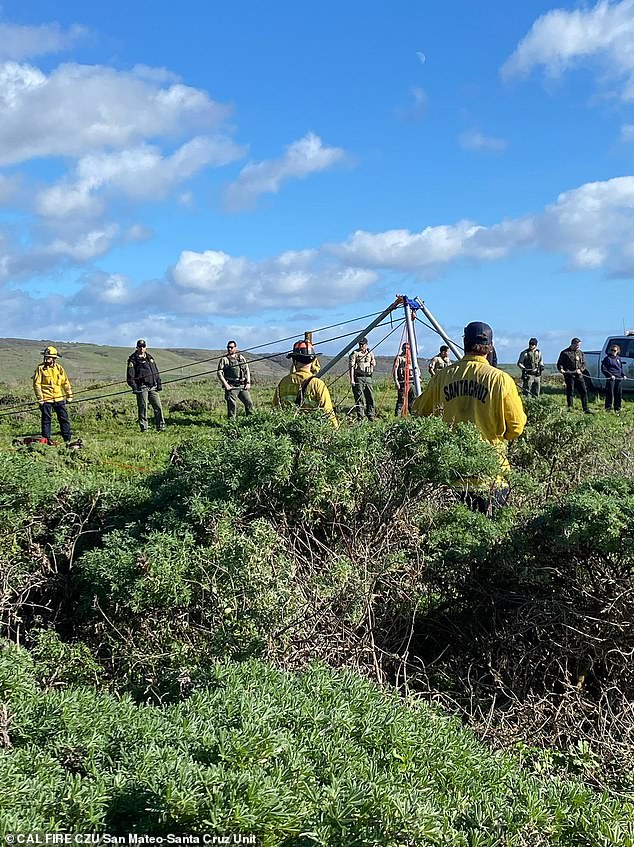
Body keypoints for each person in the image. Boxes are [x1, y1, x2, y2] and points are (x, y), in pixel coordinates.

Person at [411, 321, 526, 514]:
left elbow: (419, 411)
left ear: (464, 342)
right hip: (491, 476)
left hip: (451, 476)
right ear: (490, 347)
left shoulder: (442, 376)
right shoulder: (501, 380)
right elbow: (516, 428)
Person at [273, 339, 339, 428]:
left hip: (287, 432)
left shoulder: (283, 382)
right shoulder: (318, 384)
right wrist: (335, 431)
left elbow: (275, 410)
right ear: (313, 361)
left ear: (294, 361)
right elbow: (328, 414)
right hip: (311, 433)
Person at [32, 346, 73, 444]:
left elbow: (65, 383)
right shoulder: (40, 369)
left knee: (64, 418)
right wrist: (40, 399)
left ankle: (67, 439)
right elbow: (37, 384)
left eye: (49, 357)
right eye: (46, 357)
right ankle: (46, 439)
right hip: (46, 399)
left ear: (54, 359)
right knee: (46, 420)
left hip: (59, 398)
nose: (47, 359)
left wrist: (69, 396)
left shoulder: (59, 368)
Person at [126, 339, 166, 432]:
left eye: (143, 346)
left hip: (153, 386)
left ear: (145, 347)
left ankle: (161, 426)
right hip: (142, 387)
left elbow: (155, 371)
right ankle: (144, 427)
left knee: (158, 406)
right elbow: (130, 376)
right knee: (143, 408)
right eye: (140, 346)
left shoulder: (150, 358)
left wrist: (159, 382)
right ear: (137, 347)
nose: (142, 348)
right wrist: (134, 387)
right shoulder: (133, 360)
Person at [217, 340, 253, 419]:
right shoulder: (224, 359)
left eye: (231, 347)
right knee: (232, 406)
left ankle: (251, 420)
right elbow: (219, 373)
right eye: (228, 347)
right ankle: (232, 423)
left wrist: (248, 382)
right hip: (231, 386)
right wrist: (226, 385)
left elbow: (247, 369)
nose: (229, 349)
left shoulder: (241, 358)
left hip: (242, 385)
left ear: (235, 348)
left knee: (249, 403)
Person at [556, 338, 590, 413]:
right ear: (572, 344)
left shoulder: (580, 353)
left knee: (584, 391)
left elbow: (584, 364)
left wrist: (581, 370)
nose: (578, 347)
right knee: (570, 392)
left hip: (579, 375)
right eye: (577, 345)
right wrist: (561, 369)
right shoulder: (565, 353)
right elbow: (560, 363)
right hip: (569, 375)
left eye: (579, 345)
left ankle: (585, 408)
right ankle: (570, 408)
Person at [348, 337, 376, 421]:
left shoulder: (370, 353)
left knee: (370, 396)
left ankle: (371, 415)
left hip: (368, 377)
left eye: (362, 344)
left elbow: (373, 362)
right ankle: (361, 417)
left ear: (366, 345)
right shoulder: (355, 353)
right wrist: (352, 379)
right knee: (359, 397)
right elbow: (351, 367)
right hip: (359, 377)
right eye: (360, 344)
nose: (361, 346)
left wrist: (373, 363)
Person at [393, 343, 416, 417]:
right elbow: (395, 370)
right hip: (402, 382)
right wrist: (396, 381)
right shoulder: (399, 358)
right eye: (405, 348)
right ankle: (397, 415)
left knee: (412, 399)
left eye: (408, 348)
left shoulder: (412, 358)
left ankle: (413, 415)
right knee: (401, 400)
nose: (406, 350)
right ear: (402, 349)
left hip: (411, 382)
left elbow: (416, 369)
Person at [601, 343, 626, 412]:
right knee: (610, 393)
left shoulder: (618, 358)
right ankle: (608, 407)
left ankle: (617, 407)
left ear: (617, 351)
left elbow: (620, 368)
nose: (613, 352)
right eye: (612, 350)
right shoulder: (607, 359)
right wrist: (610, 375)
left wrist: (623, 375)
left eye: (614, 350)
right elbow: (604, 369)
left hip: (618, 378)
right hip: (611, 378)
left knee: (618, 393)